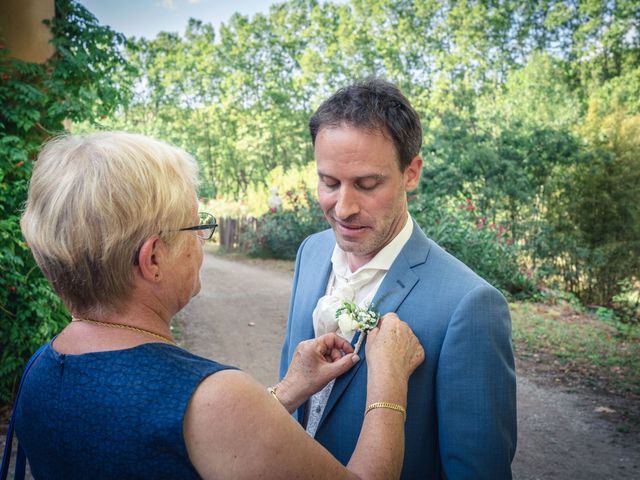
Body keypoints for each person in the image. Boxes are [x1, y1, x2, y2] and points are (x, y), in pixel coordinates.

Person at [14, 131, 424, 479]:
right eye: (197, 227)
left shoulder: (40, 371)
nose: (201, 242)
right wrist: (388, 382)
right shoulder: (215, 397)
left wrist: (284, 393)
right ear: (153, 258)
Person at [279, 78, 517, 479]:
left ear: (411, 173)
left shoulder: (471, 305)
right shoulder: (311, 251)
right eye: (329, 182)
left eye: (368, 185)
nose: (343, 207)